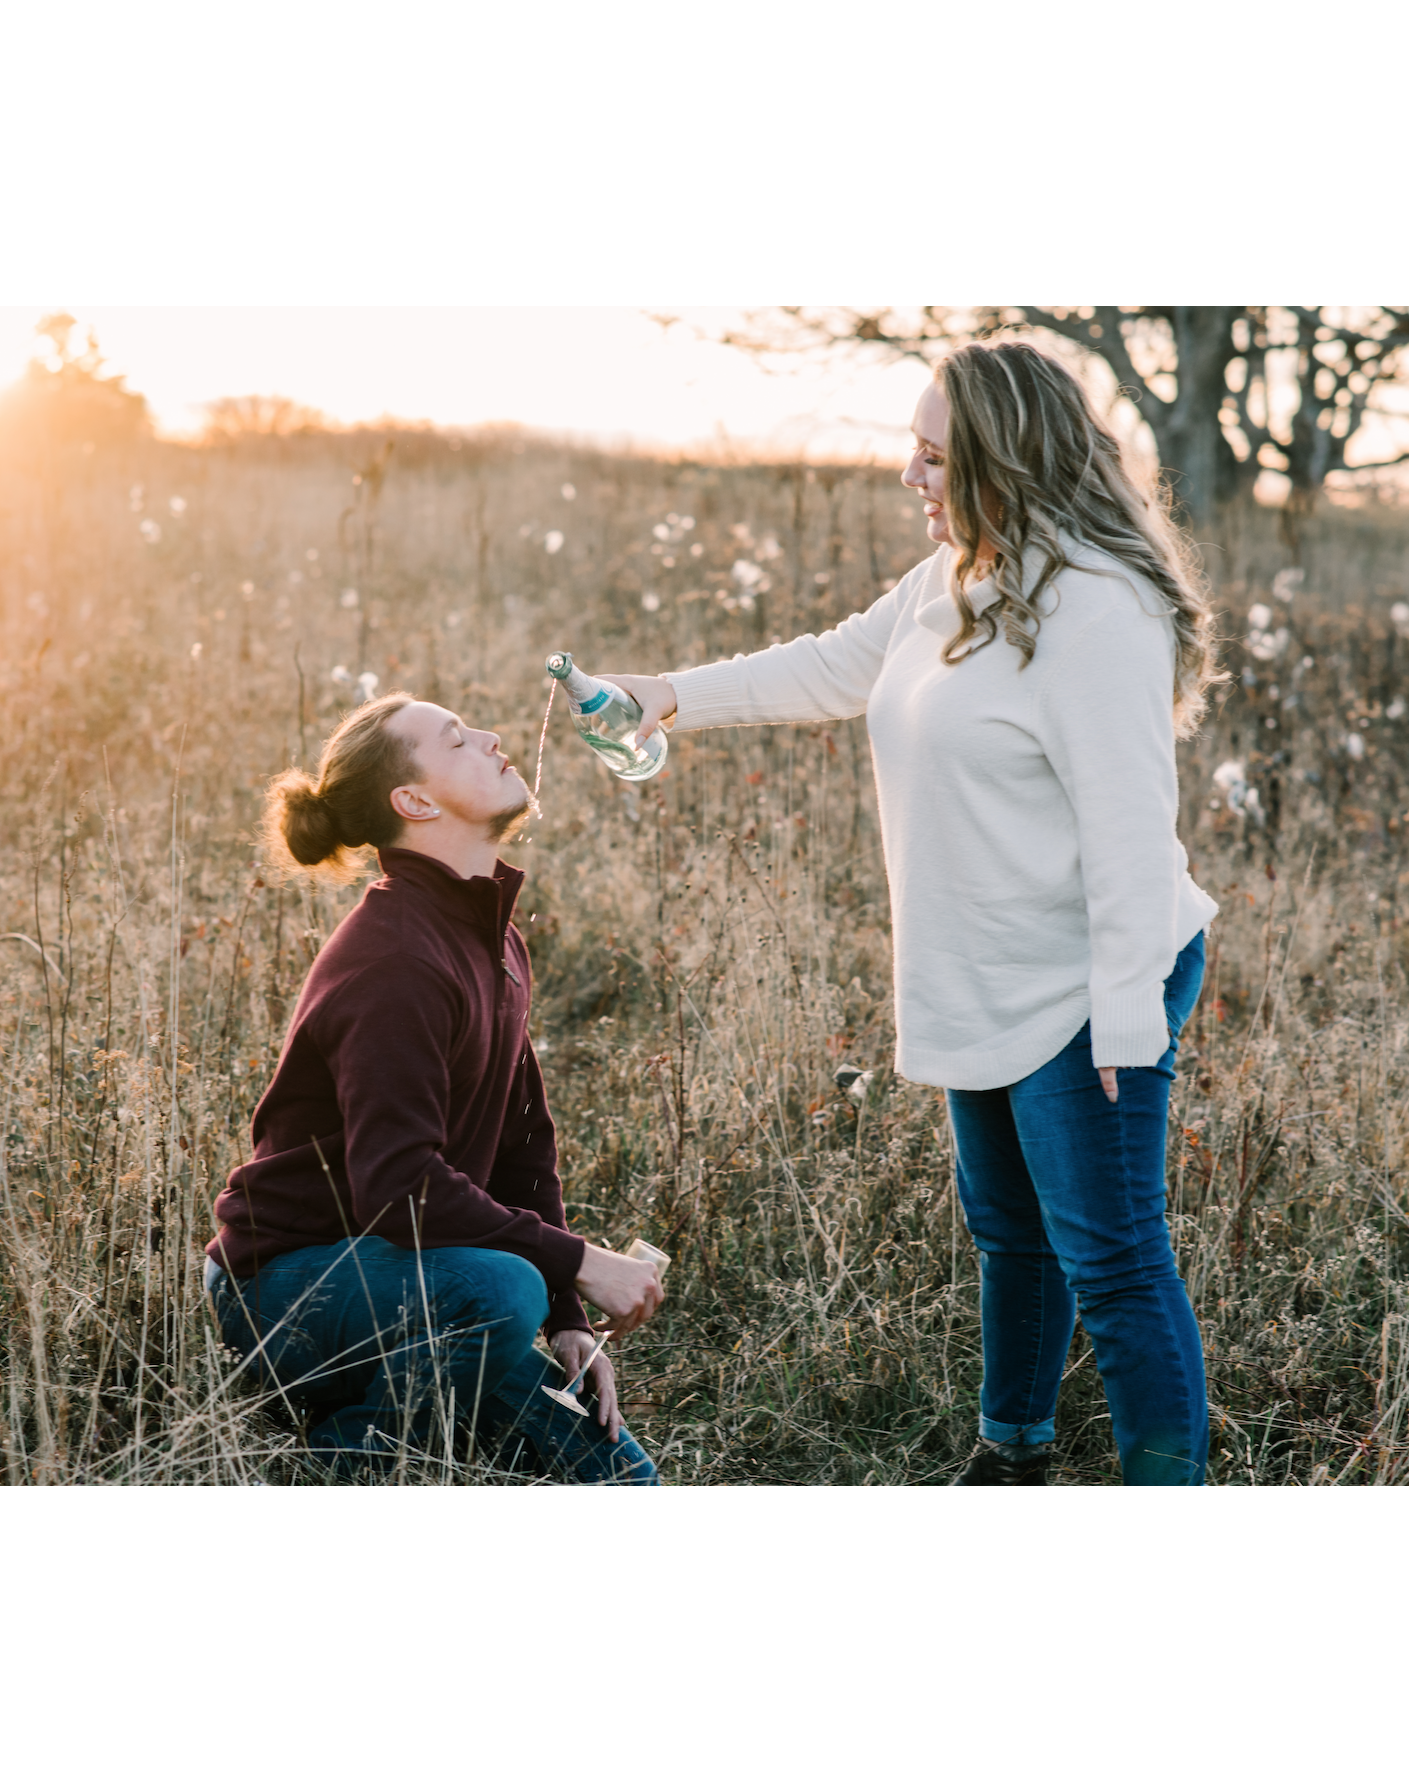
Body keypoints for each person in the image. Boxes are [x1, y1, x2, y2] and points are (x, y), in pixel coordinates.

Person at [606, 339, 1222, 1486]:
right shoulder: (955, 578)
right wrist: (662, 698)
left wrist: (1127, 1024)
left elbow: (1136, 839)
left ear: (1004, 459)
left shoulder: (1100, 608)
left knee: (1117, 1261)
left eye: (935, 456)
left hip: (1089, 982)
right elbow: (829, 667)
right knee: (1009, 1233)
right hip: (983, 968)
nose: (910, 477)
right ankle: (1012, 1452)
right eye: (913, 451)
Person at [205, 691, 665, 1483]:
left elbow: (525, 1143)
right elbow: (398, 1184)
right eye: (456, 740)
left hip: (420, 1284)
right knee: (501, 1288)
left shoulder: (490, 934)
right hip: (287, 1290)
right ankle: (348, 1458)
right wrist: (576, 1261)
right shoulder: (395, 960)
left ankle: (426, 1392)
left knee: (623, 1482)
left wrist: (566, 1319)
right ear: (413, 801)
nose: (490, 738)